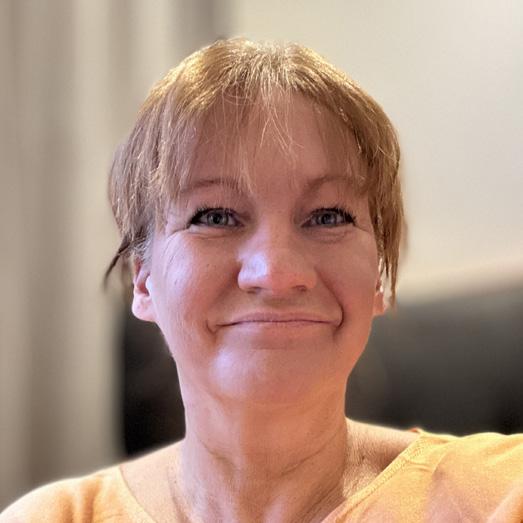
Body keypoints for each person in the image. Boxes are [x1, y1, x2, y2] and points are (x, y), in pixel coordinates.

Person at [2, 37, 522, 523]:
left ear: (379, 278)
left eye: (328, 216)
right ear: (144, 282)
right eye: (214, 216)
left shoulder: (502, 496)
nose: (276, 273)